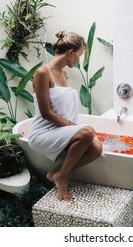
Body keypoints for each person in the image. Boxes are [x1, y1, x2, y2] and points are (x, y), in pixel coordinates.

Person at [28, 31, 103, 200]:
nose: (79, 60)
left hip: (60, 130)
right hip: (43, 132)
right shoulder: (42, 73)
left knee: (96, 149)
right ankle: (61, 178)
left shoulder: (63, 73)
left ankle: (57, 173)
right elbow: (46, 113)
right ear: (70, 53)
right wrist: (73, 127)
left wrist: (73, 128)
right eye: (79, 55)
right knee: (87, 132)